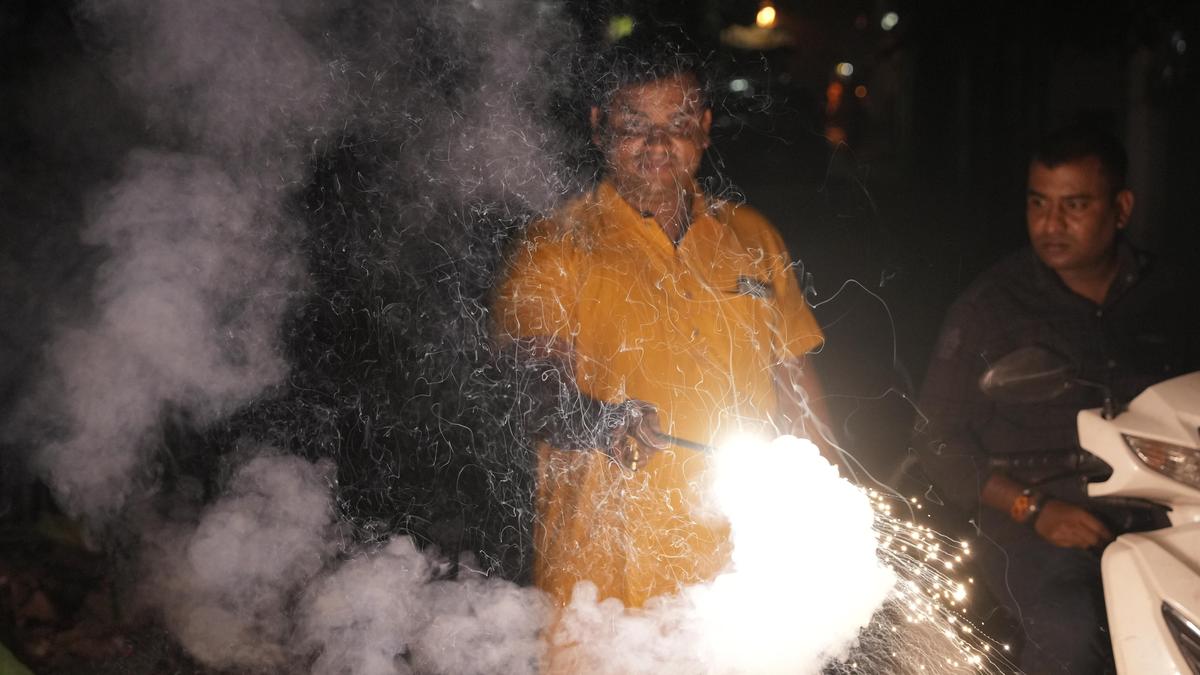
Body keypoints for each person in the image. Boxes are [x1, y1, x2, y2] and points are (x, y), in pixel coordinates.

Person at [493, 36, 831, 614]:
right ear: (599, 126)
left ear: (704, 128)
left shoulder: (753, 236)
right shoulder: (554, 246)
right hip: (604, 591)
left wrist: (829, 501)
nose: (656, 144)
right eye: (634, 125)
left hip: (740, 581)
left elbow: (795, 382)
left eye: (676, 124)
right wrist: (600, 421)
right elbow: (529, 389)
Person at [913, 124, 1199, 674]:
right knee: (1069, 630)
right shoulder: (991, 307)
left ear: (1121, 208)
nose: (1051, 224)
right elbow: (935, 440)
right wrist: (1033, 508)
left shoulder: (1173, 297)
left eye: (1075, 205)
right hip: (1037, 521)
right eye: (1038, 203)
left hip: (1168, 508)